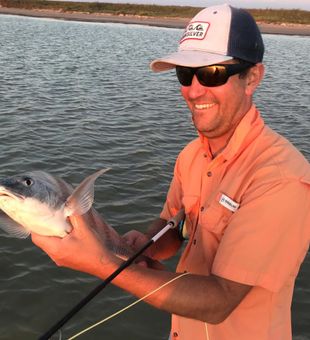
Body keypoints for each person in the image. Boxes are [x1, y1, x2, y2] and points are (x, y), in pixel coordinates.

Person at [32, 4, 310, 340]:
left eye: (212, 74)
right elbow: (176, 224)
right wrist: (149, 245)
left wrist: (101, 264)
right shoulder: (191, 156)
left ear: (251, 78)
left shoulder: (280, 178)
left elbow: (220, 301)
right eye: (184, 74)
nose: (193, 91)